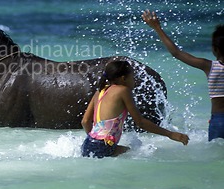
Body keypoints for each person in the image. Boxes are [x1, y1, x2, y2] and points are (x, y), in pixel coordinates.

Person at [142, 9, 224, 141]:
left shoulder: (209, 66)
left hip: (219, 121)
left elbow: (176, 53)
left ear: (215, 49)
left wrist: (157, 28)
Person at [81, 60, 189, 158]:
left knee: (131, 152)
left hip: (87, 144)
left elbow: (85, 122)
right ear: (123, 78)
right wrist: (170, 134)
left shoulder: (100, 92)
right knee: (140, 155)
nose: (134, 80)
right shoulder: (123, 91)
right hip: (104, 146)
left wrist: (95, 142)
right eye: (133, 77)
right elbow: (140, 122)